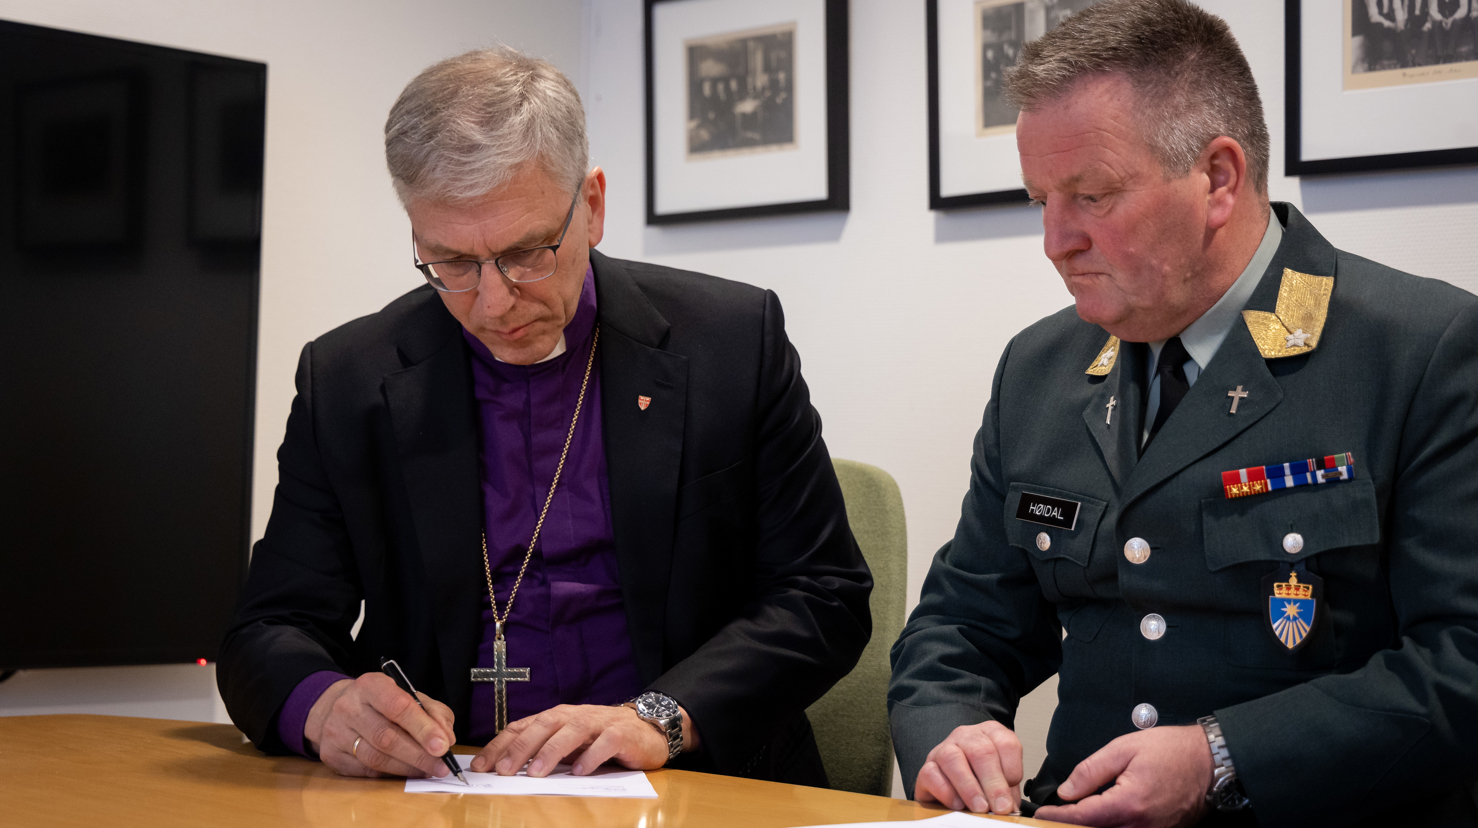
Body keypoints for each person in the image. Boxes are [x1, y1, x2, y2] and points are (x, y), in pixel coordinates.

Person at [888, 1, 1478, 826]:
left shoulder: (1422, 351)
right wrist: (949, 733)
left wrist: (1220, 757)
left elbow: (1463, 665)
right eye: (1040, 202)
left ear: (1219, 179)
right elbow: (961, 622)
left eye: (1091, 195)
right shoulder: (1040, 368)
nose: (1057, 240)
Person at [218, 47, 871, 788]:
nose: (493, 304)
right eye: (452, 264)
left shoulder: (729, 342)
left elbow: (824, 596)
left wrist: (657, 717)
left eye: (527, 253)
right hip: (447, 792)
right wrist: (326, 705)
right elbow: (265, 631)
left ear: (590, 206)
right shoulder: (349, 379)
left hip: (694, 784)